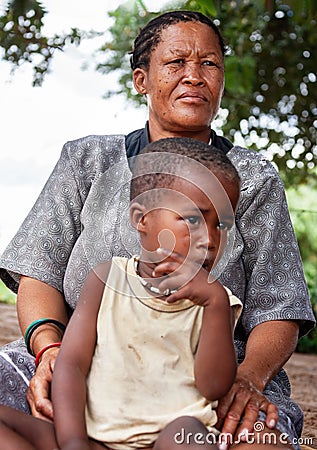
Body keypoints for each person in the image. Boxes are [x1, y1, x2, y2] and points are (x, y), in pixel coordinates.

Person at [0, 9, 315, 450]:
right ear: (141, 79)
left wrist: (248, 378)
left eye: (209, 64)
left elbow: (279, 306)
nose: (194, 76)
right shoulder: (88, 161)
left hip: (211, 368)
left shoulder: (253, 176)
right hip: (84, 353)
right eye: (176, 62)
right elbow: (39, 270)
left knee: (257, 437)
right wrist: (49, 349)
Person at [0, 137, 243, 449]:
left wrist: (215, 303)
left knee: (187, 434)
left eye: (222, 225)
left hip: (167, 439)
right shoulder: (107, 278)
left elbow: (214, 386)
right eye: (193, 219)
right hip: (93, 438)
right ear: (141, 219)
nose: (209, 239)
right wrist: (73, 441)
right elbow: (72, 364)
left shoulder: (216, 301)